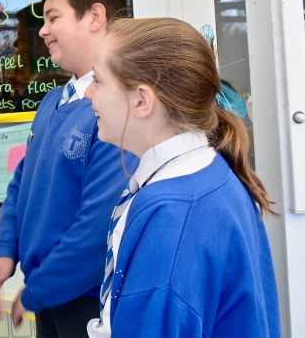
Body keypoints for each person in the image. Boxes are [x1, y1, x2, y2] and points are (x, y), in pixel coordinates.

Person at [83, 18, 280, 338]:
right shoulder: (208, 172)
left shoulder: (174, 216)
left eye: (99, 80)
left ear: (142, 101)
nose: (88, 93)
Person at [0, 0, 139, 337]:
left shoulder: (118, 109)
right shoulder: (54, 100)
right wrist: (5, 249)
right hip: (49, 295)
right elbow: (23, 180)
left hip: (88, 300)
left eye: (54, 17)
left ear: (95, 17)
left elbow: (99, 225)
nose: (43, 30)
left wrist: (39, 290)